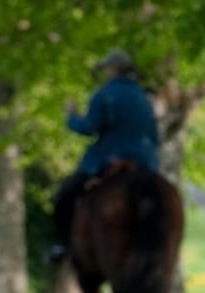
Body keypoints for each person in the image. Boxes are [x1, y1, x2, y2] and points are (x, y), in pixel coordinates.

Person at [46, 49, 161, 263]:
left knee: (65, 196)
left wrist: (71, 117)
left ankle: (61, 245)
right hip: (145, 161)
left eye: (107, 68)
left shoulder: (105, 94)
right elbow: (155, 136)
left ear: (113, 69)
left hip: (108, 158)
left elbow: (89, 128)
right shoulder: (145, 97)